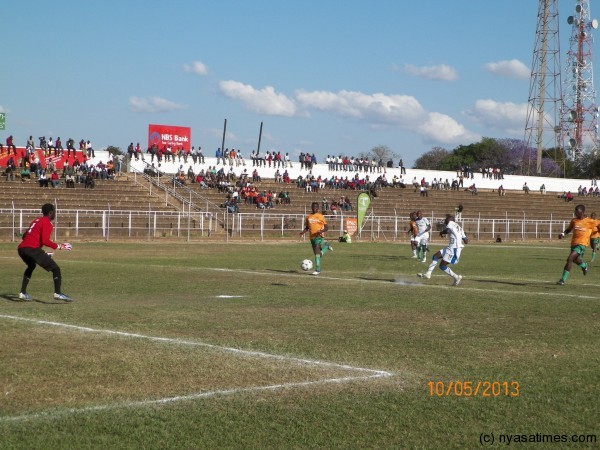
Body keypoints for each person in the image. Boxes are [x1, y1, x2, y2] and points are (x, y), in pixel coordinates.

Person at [17, 203, 73, 301]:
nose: (55, 214)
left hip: (22, 249)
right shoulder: (47, 222)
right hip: (32, 249)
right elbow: (45, 241)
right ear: (51, 212)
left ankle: (23, 293)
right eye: (54, 212)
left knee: (31, 266)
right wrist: (59, 246)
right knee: (56, 269)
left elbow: (24, 237)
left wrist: (41, 252)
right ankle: (58, 293)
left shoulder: (36, 221)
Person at [417, 214, 468, 286]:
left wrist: (443, 226)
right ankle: (428, 273)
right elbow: (466, 241)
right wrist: (461, 236)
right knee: (435, 256)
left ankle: (456, 277)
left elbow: (447, 225)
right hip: (450, 247)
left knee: (442, 266)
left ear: (451, 220)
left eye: (446, 220)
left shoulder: (451, 223)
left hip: (454, 249)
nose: (445, 221)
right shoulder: (459, 228)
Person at [556, 204, 600, 285]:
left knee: (570, 259)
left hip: (582, 244)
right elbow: (569, 229)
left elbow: (598, 224)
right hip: (573, 243)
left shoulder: (589, 221)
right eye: (575, 212)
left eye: (577, 212)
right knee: (576, 260)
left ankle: (563, 280)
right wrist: (563, 234)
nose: (576, 213)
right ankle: (584, 266)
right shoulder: (574, 220)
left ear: (582, 212)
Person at [300, 202, 333, 275]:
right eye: (313, 207)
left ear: (318, 208)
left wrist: (321, 231)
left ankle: (318, 270)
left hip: (319, 236)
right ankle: (327, 246)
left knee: (317, 251)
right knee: (318, 254)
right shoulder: (308, 217)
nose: (315, 208)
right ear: (311, 207)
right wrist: (302, 232)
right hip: (312, 237)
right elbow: (307, 227)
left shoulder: (321, 216)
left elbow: (327, 227)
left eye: (316, 207)